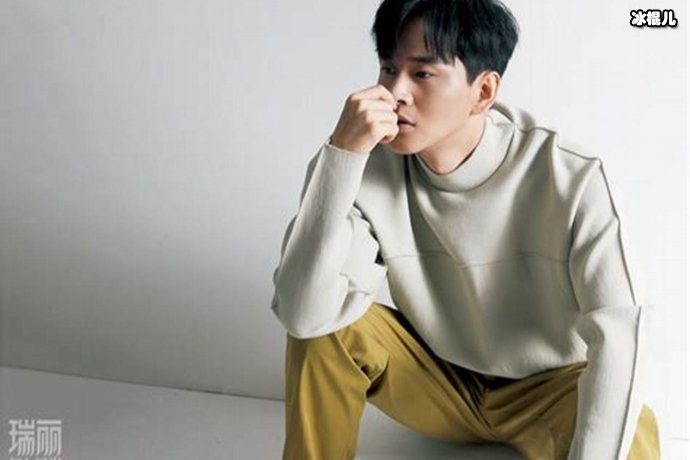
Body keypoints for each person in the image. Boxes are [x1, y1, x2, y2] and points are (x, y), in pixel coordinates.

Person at [270, 0, 660, 459]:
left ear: (483, 91)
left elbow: (620, 337)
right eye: (388, 68)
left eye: (422, 73)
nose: (394, 92)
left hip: (549, 395)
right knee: (330, 327)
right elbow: (303, 314)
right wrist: (341, 157)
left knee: (634, 429)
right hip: (439, 385)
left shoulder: (569, 176)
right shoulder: (363, 168)